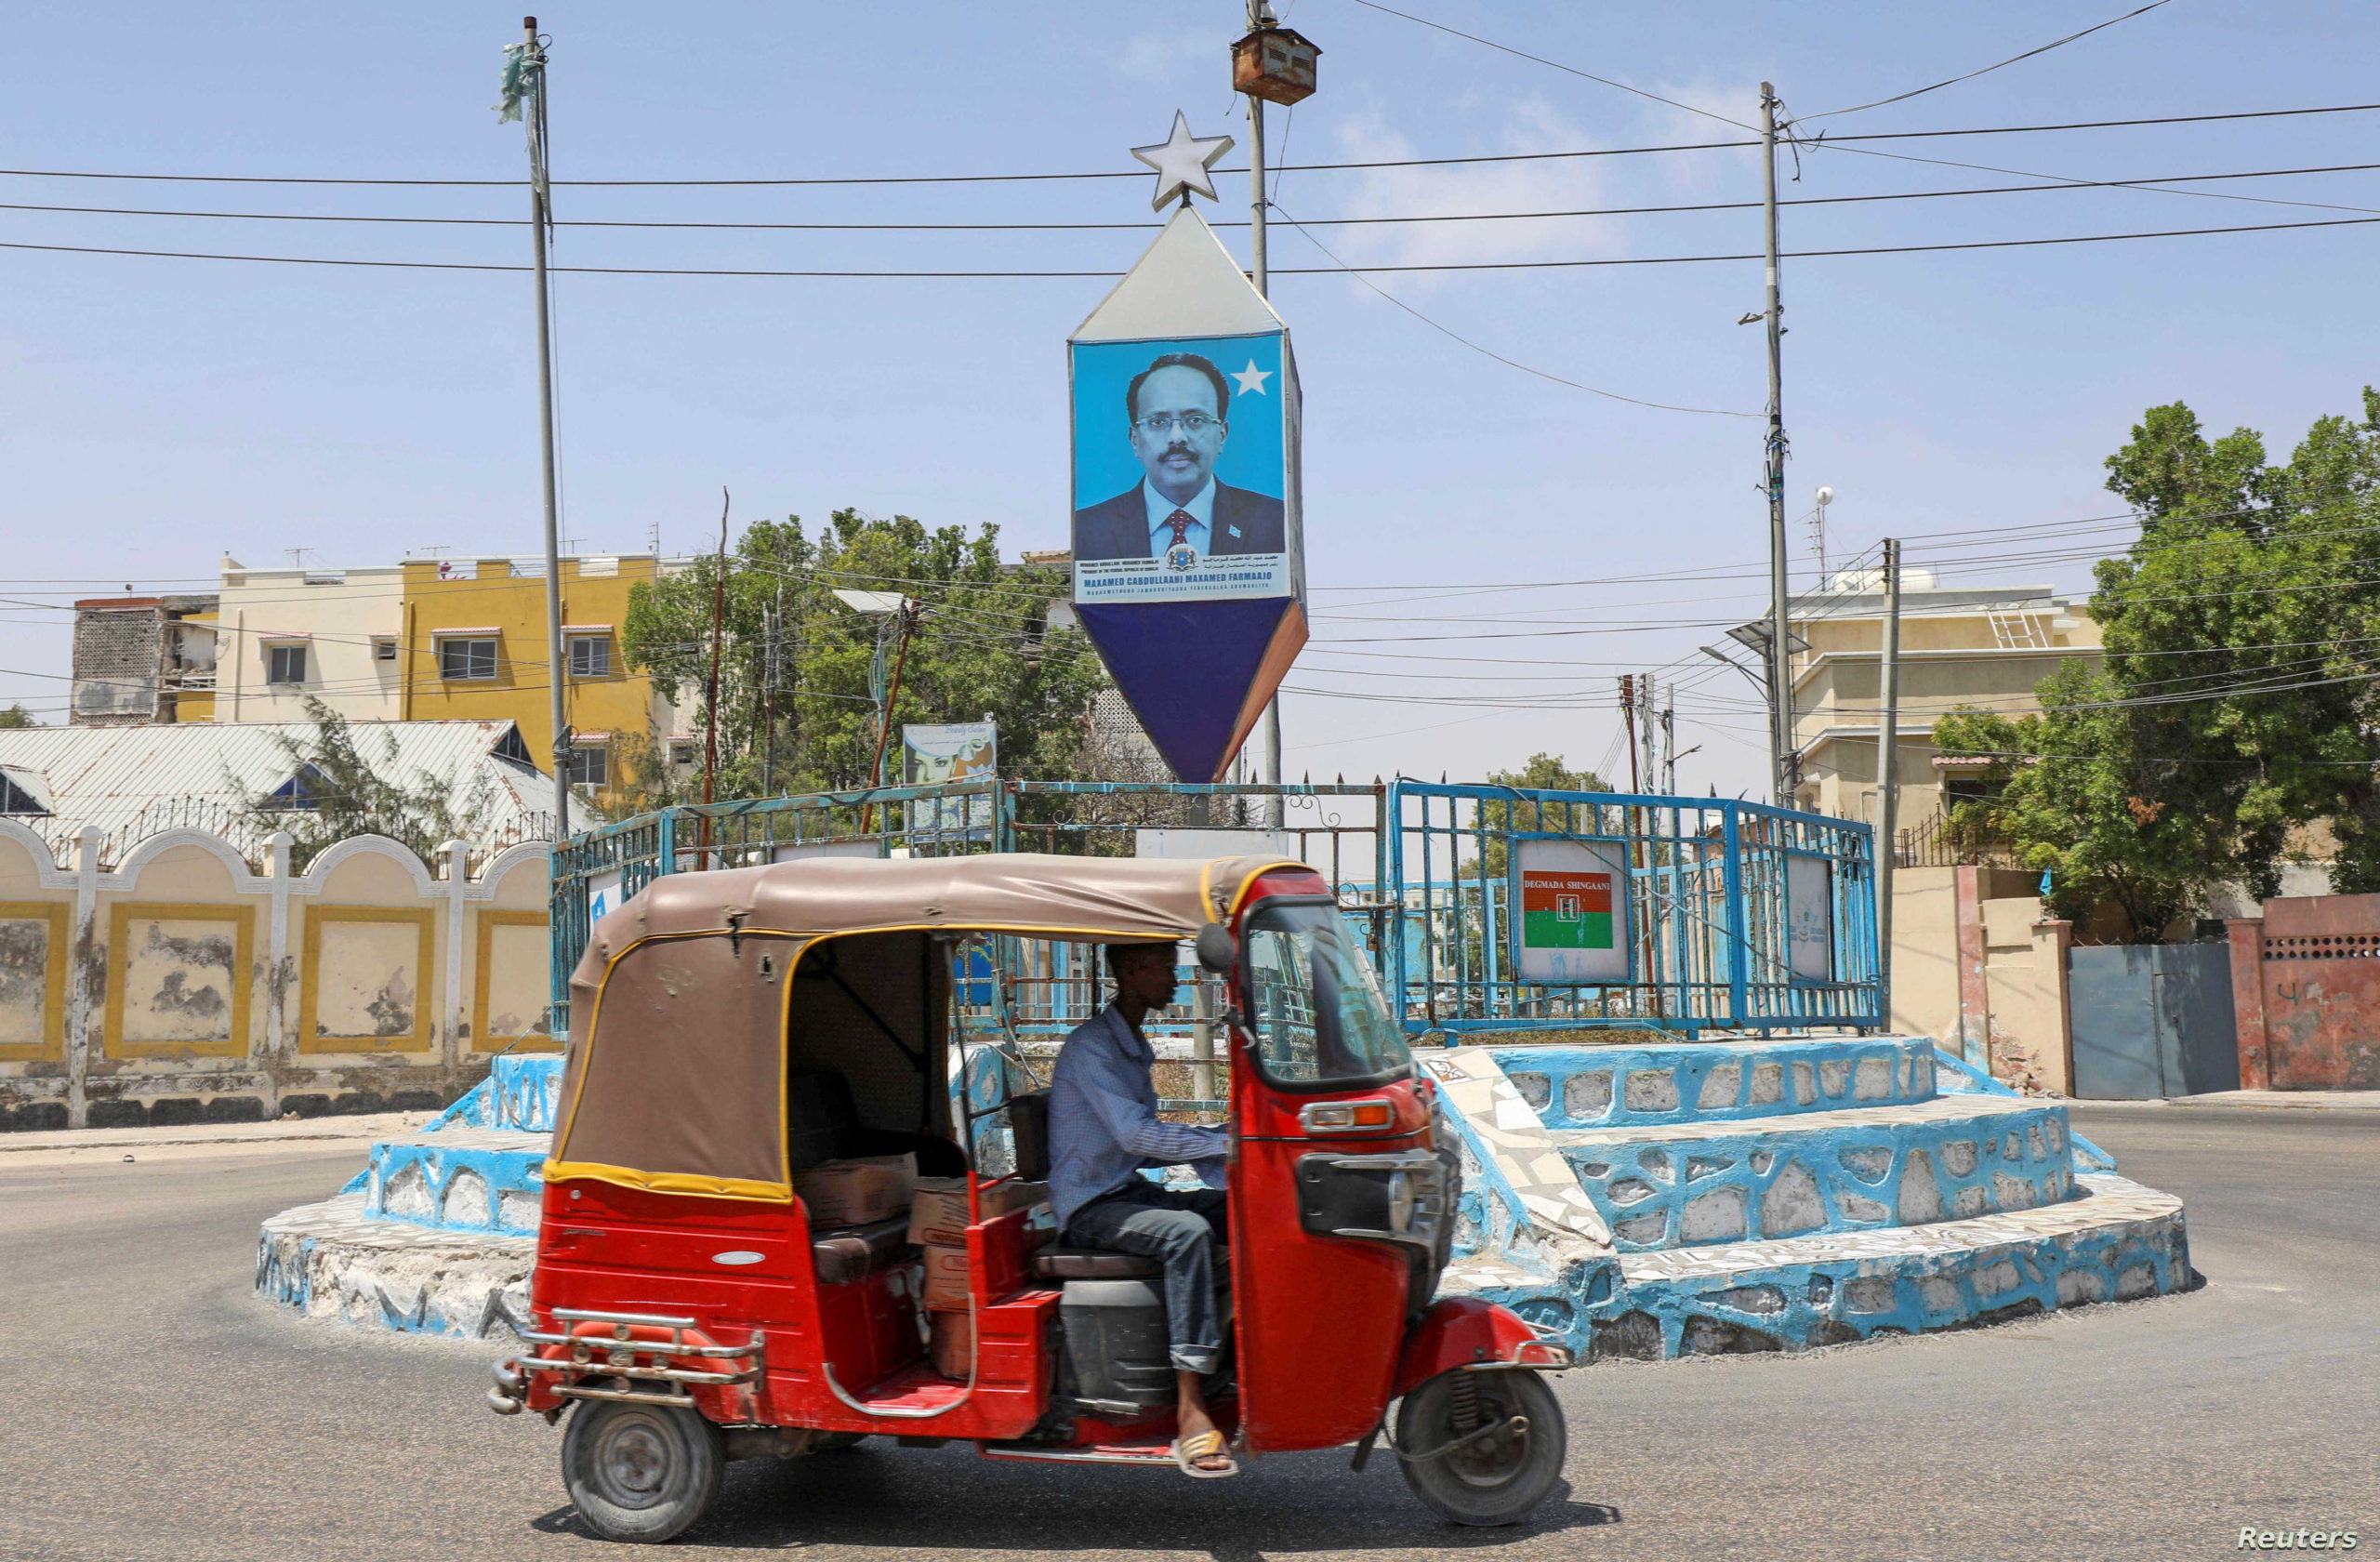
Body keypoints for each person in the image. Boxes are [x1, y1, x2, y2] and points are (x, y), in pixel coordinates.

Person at [1048, 940, 1236, 1477]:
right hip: (1089, 1207)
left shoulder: (1127, 1042)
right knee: (1187, 1234)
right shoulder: (1092, 1050)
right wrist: (1220, 1146)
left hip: (1124, 1190)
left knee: (1236, 1212)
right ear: (1132, 971)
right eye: (1166, 969)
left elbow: (1139, 1144)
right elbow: (1134, 1135)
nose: (1176, 980)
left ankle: (1228, 1353)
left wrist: (1220, 1138)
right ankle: (1190, 1410)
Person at [1072, 351, 1285, 563]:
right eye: (1157, 422)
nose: (1177, 438)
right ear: (1134, 440)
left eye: (1195, 420)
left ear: (1221, 435)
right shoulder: (1087, 529)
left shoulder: (1274, 521)